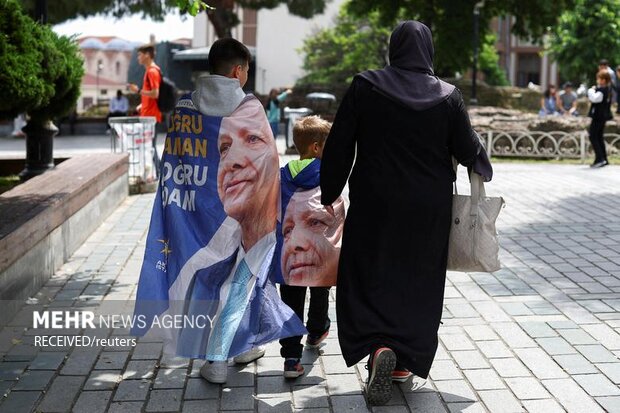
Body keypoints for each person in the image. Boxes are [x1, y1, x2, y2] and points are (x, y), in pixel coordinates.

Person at [319, 21, 493, 405]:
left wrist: (329, 191)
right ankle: (402, 364)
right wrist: (480, 158)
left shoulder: (366, 85)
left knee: (369, 272)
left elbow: (340, 143)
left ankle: (379, 347)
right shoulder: (448, 96)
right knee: (417, 281)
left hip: (374, 203)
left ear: (393, 48)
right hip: (427, 209)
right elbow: (467, 148)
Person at [170, 38, 304, 385]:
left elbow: (176, 161)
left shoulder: (185, 106)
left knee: (214, 279)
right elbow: (270, 162)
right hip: (247, 215)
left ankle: (242, 346)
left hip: (201, 214)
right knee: (243, 281)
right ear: (237, 71)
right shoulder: (249, 107)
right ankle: (216, 359)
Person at [278, 116, 345, 379]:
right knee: (320, 291)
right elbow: (337, 210)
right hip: (319, 252)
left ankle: (291, 357)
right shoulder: (327, 174)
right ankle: (316, 332)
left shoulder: (283, 174)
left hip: (290, 253)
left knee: (290, 303)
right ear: (316, 148)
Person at [128, 44, 162, 173]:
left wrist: (138, 91)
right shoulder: (151, 70)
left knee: (150, 147)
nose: (138, 57)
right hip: (148, 115)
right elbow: (152, 96)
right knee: (149, 147)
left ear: (147, 55)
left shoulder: (152, 71)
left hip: (151, 117)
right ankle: (158, 173)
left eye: (140, 54)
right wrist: (142, 104)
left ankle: (160, 174)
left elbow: (155, 93)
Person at [587, 70, 613, 168]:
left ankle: (600, 158)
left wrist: (591, 90)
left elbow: (594, 98)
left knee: (593, 136)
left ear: (603, 80)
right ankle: (603, 158)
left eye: (599, 78)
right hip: (602, 116)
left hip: (598, 116)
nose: (598, 80)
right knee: (599, 137)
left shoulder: (602, 90)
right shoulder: (607, 89)